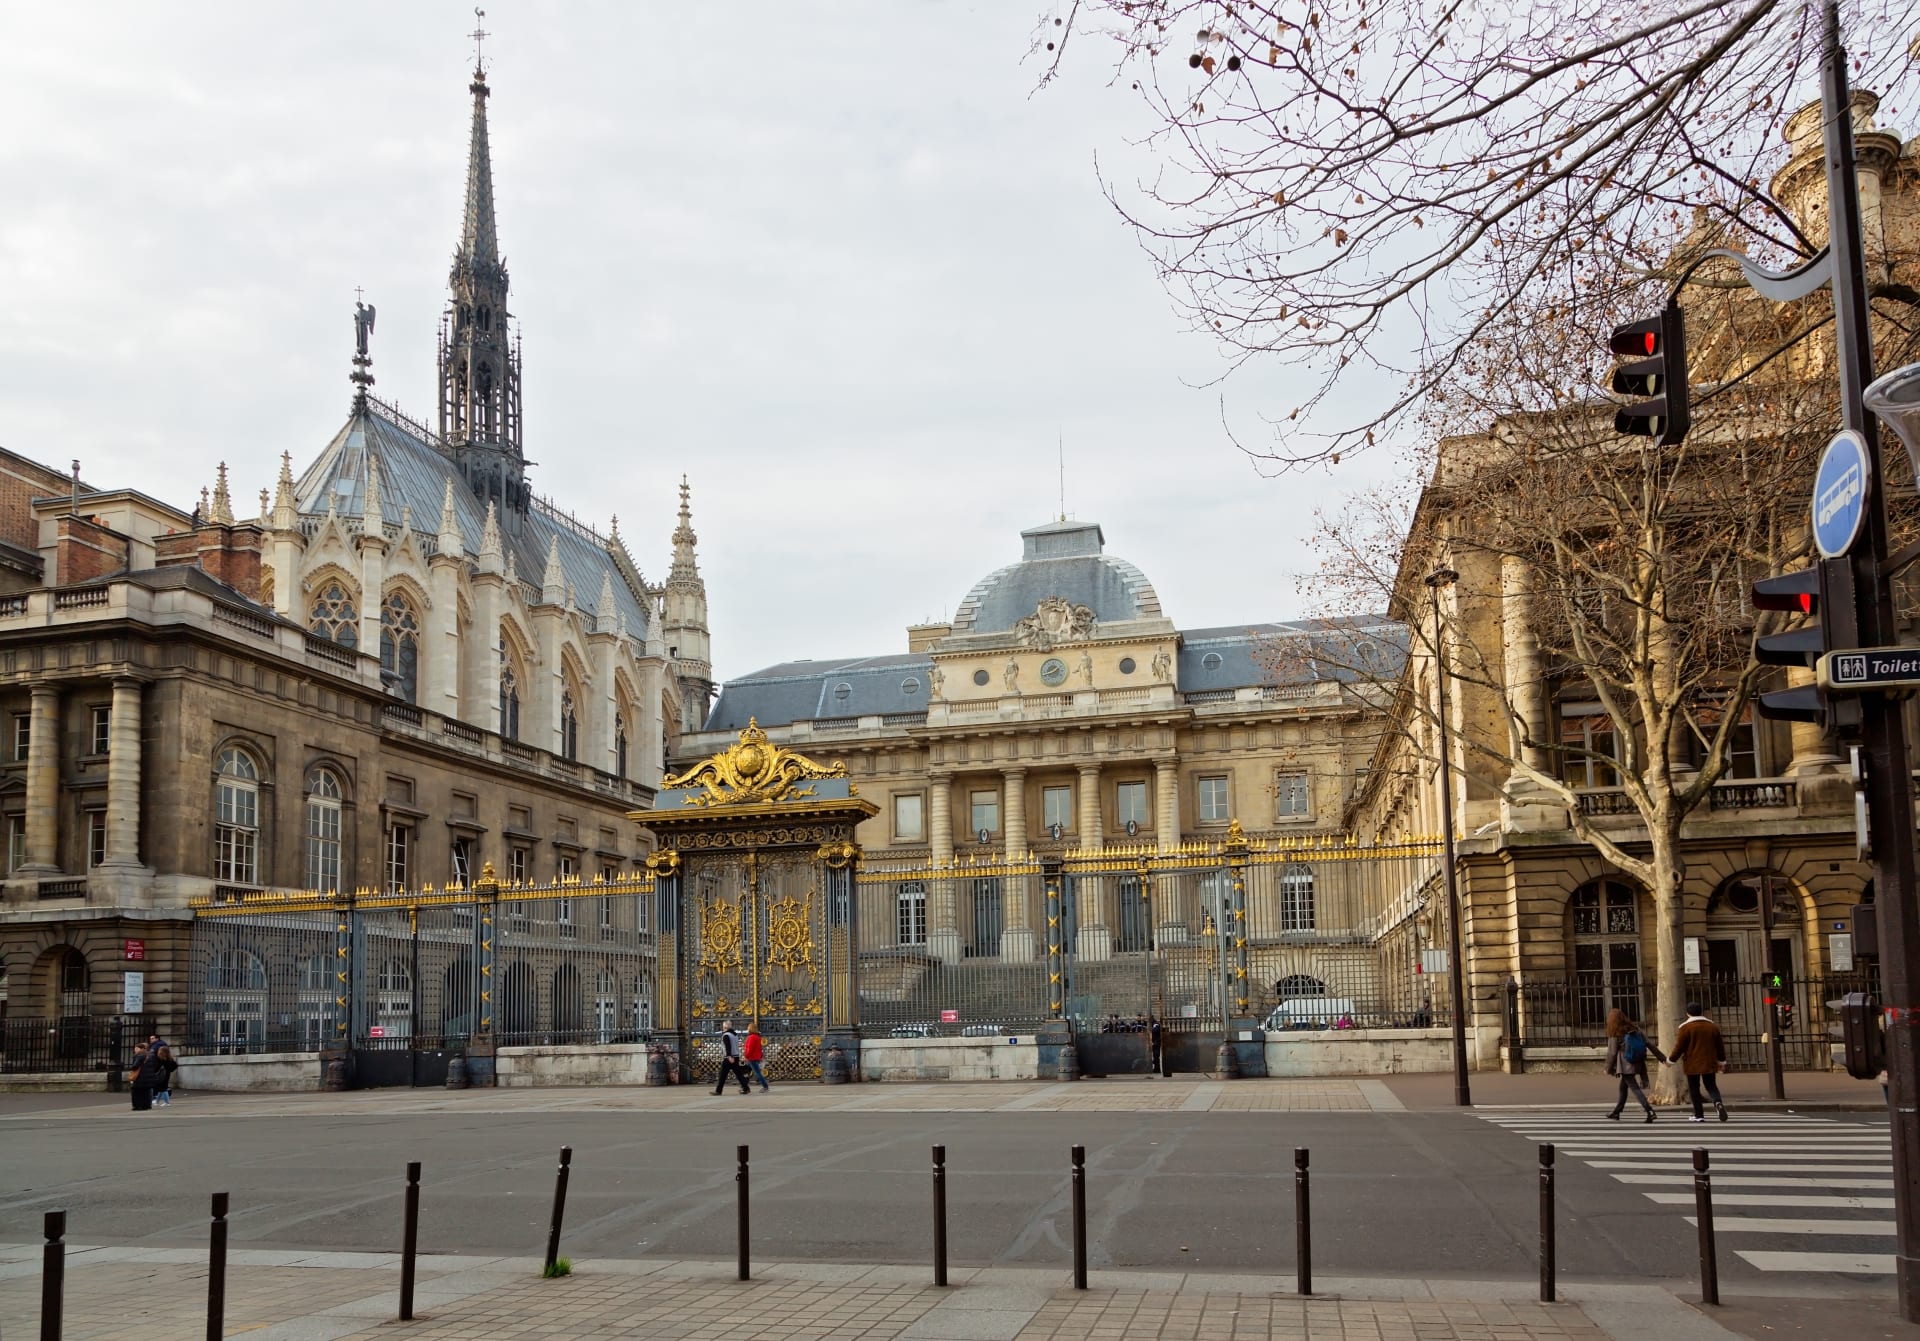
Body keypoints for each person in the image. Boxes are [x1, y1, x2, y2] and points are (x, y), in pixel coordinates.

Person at [1671, 1001, 1730, 1123]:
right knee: (1711, 1086)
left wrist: (1670, 1060)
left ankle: (1699, 1114)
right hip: (1709, 1061)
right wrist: (1722, 1062)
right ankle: (1718, 1103)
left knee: (1694, 1088)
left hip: (1692, 1063)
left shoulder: (1685, 1028)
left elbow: (1679, 1047)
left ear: (1688, 1013)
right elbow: (1720, 1046)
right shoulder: (1712, 1027)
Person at [1603, 1007, 1663, 1122]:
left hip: (1625, 1064)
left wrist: (1607, 1068)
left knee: (1634, 1088)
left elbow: (1612, 1052)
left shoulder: (1615, 1031)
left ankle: (1650, 1111)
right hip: (1637, 1062)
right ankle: (1616, 1112)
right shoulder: (1635, 1028)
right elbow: (1649, 1044)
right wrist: (1662, 1058)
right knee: (1623, 1087)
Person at [712, 1022, 750, 1096]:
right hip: (736, 1056)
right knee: (738, 1074)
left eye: (723, 1027)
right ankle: (746, 1088)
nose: (722, 1028)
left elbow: (727, 1046)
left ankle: (718, 1091)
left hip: (729, 1058)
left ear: (725, 1027)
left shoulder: (726, 1035)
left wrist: (729, 1056)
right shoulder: (735, 1034)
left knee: (722, 1075)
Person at [127, 1042, 166, 1112]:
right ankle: (147, 1105)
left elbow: (135, 1066)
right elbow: (155, 1066)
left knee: (136, 1092)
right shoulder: (151, 1056)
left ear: (141, 1049)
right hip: (149, 1077)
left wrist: (132, 1068)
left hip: (140, 1077)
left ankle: (137, 1106)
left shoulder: (139, 1056)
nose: (135, 1050)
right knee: (146, 1092)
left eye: (136, 1048)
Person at [149, 1034, 177, 1107]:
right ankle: (157, 1101)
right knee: (161, 1088)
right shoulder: (169, 1059)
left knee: (163, 1089)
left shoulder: (160, 1059)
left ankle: (167, 1102)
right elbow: (175, 1066)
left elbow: (156, 1066)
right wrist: (170, 1070)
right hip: (166, 1074)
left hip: (161, 1074)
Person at [742, 1024, 770, 1093]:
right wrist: (760, 1056)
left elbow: (750, 1049)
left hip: (752, 1058)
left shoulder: (751, 1037)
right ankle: (744, 1085)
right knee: (747, 1071)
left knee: (757, 1073)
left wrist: (746, 1056)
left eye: (748, 1028)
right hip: (755, 1057)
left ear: (751, 1029)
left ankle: (765, 1086)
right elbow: (759, 1048)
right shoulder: (757, 1037)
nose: (747, 1029)